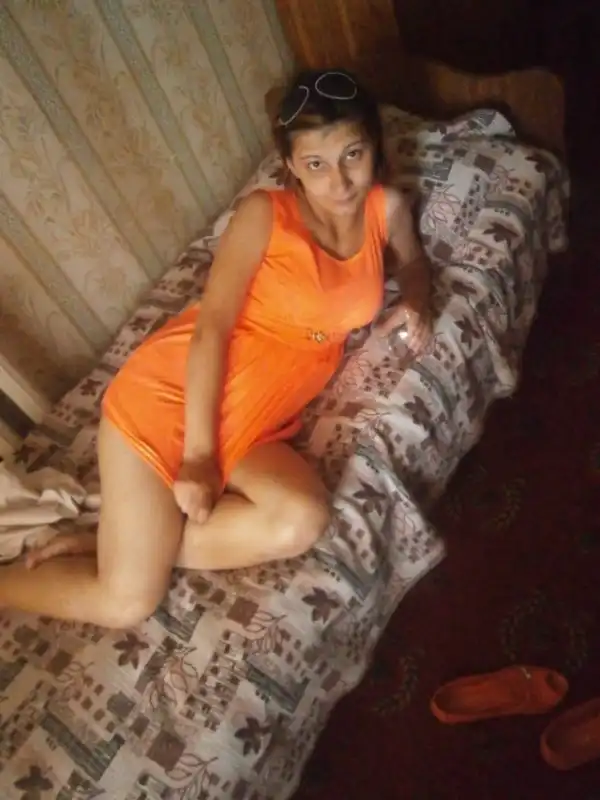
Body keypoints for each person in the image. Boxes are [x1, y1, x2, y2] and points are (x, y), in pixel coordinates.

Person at [0, 68, 433, 628]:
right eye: (316, 164)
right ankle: (57, 570)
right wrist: (199, 457)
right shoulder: (264, 215)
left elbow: (414, 264)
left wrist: (416, 302)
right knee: (125, 603)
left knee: (301, 520)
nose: (340, 180)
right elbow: (211, 329)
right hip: (173, 399)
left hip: (258, 421)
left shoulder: (385, 208)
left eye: (353, 154)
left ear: (374, 144)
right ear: (291, 166)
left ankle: (114, 541)